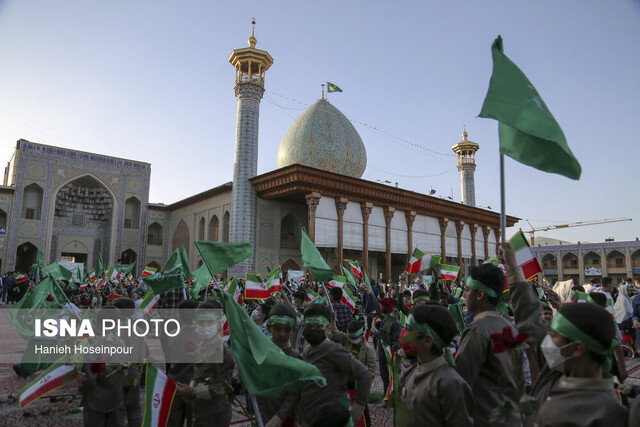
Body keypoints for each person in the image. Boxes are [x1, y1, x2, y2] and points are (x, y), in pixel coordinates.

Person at [532, 302, 628, 426]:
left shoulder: (607, 414)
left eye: (553, 336)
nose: (547, 341)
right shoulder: (555, 376)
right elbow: (530, 321)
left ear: (577, 349)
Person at [455, 262, 524, 426]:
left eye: (467, 290)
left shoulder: (478, 331)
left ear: (480, 295)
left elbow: (461, 383)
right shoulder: (510, 329)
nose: (464, 295)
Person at [296, 303, 372, 427]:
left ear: (328, 329)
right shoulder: (307, 350)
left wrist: (355, 413)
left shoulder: (333, 350)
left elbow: (365, 374)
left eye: (318, 326)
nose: (313, 330)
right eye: (309, 326)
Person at [399, 303, 474, 425]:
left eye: (409, 330)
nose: (404, 334)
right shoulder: (408, 374)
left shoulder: (450, 384)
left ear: (428, 340)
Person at [176, 302, 235, 427]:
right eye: (201, 322)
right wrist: (190, 390)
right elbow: (196, 373)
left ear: (219, 324)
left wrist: (193, 391)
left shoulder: (223, 351)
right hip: (200, 408)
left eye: (209, 322)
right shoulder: (201, 345)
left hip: (216, 411)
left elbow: (223, 386)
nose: (205, 325)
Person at [256, 304, 301, 427]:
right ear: (269, 328)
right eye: (277, 328)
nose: (281, 334)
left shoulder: (295, 359)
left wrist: (276, 420)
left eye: (287, 329)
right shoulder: (260, 354)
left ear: (294, 330)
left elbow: (293, 397)